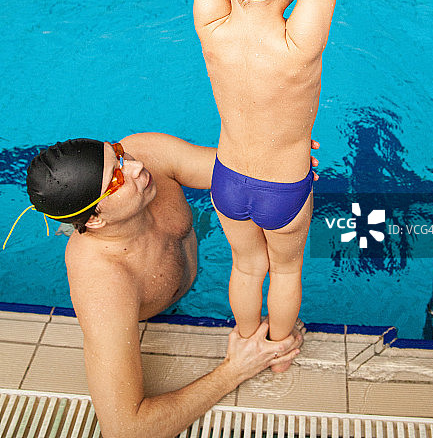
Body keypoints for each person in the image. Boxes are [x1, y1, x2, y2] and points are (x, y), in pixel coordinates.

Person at [190, 0, 338, 372]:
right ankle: (278, 353)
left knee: (245, 265)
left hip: (229, 178)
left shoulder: (212, 23)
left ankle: (243, 340)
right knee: (286, 268)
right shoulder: (297, 41)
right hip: (284, 187)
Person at [22, 133, 315, 438]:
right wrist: (236, 369)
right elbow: (125, 430)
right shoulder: (104, 285)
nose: (135, 166)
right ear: (94, 220)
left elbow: (241, 173)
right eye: (117, 178)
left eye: (119, 154)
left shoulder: (149, 155)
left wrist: (285, 159)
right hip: (148, 296)